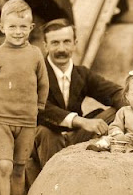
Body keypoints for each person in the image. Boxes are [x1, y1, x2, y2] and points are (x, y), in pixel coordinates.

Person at [26, 18, 127, 183]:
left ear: (75, 43)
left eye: (67, 42)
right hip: (43, 141)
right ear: (45, 45)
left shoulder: (81, 74)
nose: (61, 49)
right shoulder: (36, 74)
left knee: (114, 113)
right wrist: (80, 121)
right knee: (47, 133)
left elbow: (115, 92)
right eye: (55, 43)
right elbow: (41, 108)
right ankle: (54, 183)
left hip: (74, 138)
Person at [0, 0, 49, 195]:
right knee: (4, 166)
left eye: (23, 27)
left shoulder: (35, 54)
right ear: (2, 28)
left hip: (27, 120)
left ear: (31, 28)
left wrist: (39, 106)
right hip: (1, 120)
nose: (18, 32)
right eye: (12, 27)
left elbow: (43, 83)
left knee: (19, 168)